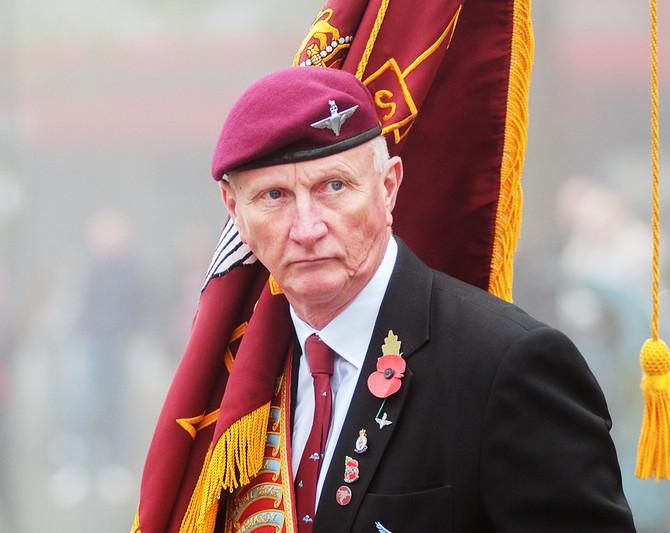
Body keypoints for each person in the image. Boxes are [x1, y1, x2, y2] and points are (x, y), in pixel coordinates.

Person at [135, 67, 635, 533]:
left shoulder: (507, 364)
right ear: (234, 210)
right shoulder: (241, 378)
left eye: (334, 186)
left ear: (389, 186)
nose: (307, 229)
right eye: (273, 197)